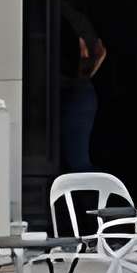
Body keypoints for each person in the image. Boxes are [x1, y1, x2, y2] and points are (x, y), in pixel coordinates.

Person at [56, 9, 107, 175]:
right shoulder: (75, 17)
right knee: (74, 160)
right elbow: (100, 52)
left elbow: (92, 52)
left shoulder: (66, 18)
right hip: (78, 90)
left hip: (73, 92)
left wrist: (81, 77)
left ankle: (93, 195)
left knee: (76, 162)